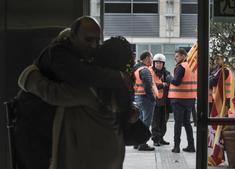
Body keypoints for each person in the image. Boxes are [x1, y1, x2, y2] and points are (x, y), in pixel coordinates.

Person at [14, 16, 131, 169]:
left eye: (97, 41)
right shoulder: (118, 86)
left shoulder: (89, 89)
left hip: (94, 155)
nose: (94, 46)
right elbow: (83, 74)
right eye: (89, 40)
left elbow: (53, 93)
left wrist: (29, 75)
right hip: (113, 151)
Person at [168, 48, 197, 153]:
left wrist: (168, 78)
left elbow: (176, 82)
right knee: (187, 123)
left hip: (178, 99)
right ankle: (191, 145)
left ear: (184, 56)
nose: (175, 58)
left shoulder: (181, 67)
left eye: (177, 56)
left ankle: (176, 147)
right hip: (190, 99)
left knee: (178, 123)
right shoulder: (193, 67)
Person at [133, 51, 157, 151]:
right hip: (146, 98)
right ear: (147, 58)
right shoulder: (145, 70)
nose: (152, 60)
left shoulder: (137, 69)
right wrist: (152, 98)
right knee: (146, 121)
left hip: (138, 97)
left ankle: (137, 142)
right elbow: (147, 85)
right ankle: (142, 143)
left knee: (141, 121)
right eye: (151, 58)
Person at [150, 53, 171, 146]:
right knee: (155, 121)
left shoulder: (166, 73)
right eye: (157, 63)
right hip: (155, 100)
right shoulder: (150, 71)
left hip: (164, 100)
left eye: (160, 63)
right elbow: (151, 85)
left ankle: (161, 138)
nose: (158, 64)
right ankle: (155, 139)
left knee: (164, 120)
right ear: (154, 63)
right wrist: (162, 85)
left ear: (163, 64)